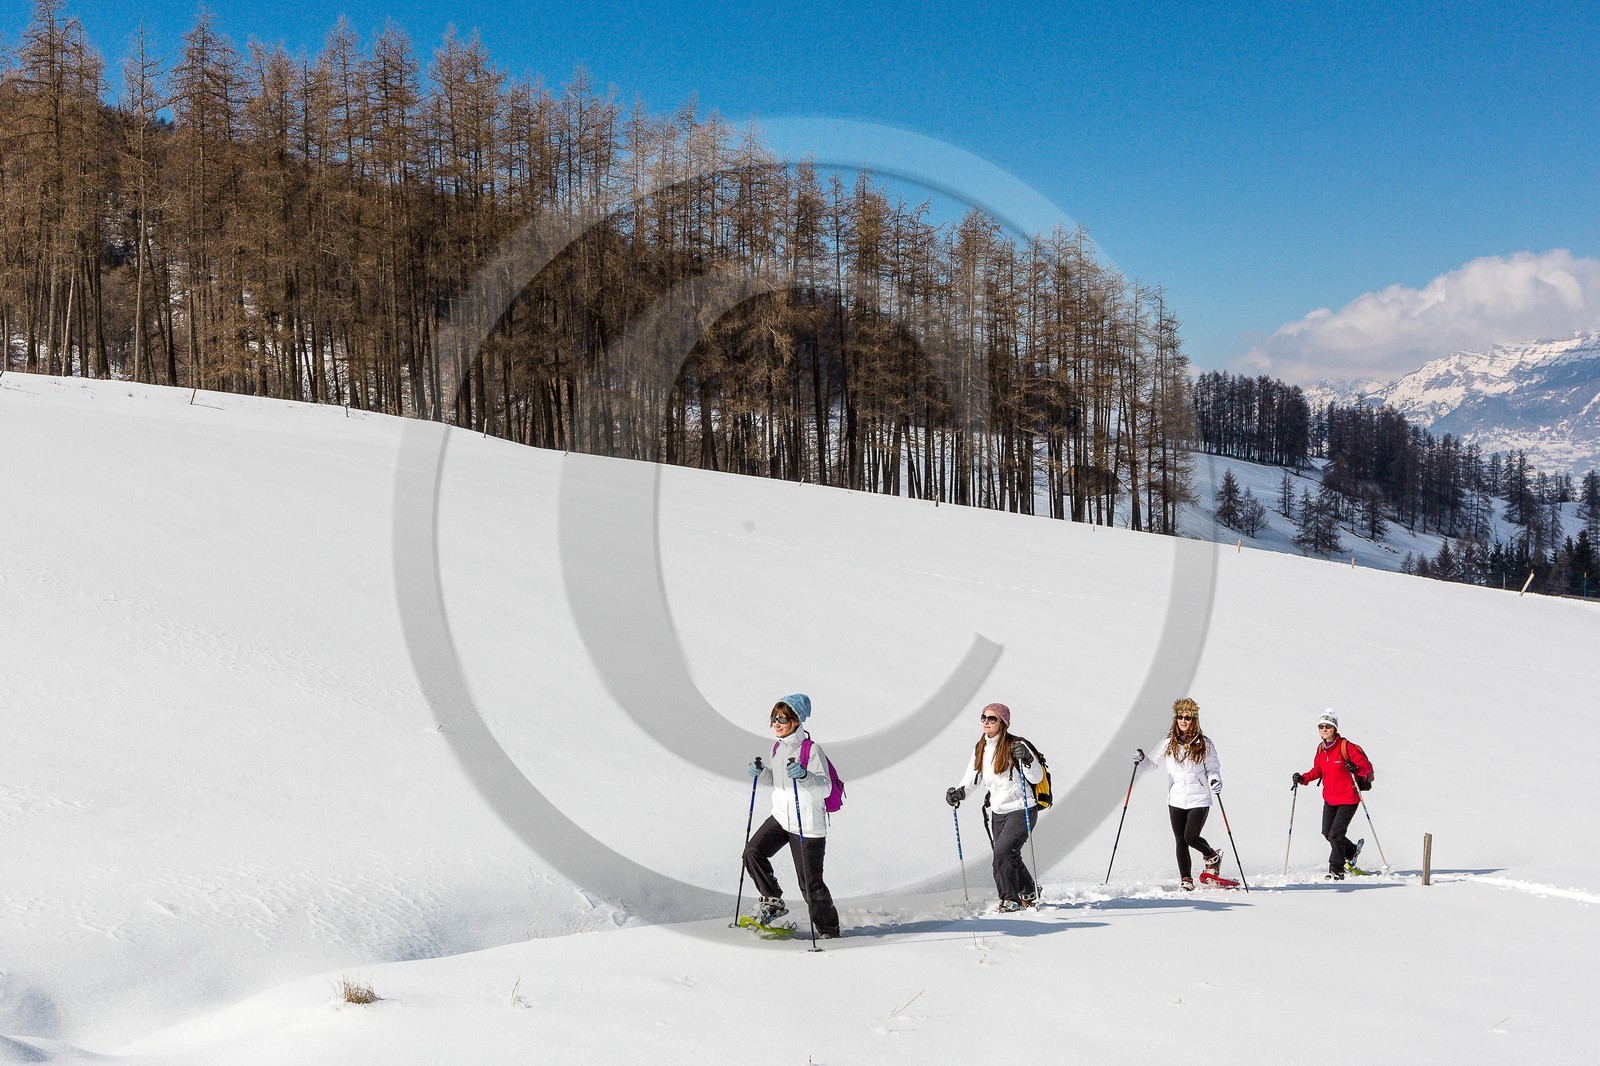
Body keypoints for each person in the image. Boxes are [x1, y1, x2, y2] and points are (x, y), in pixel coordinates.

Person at [743, 694, 841, 937]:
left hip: (807, 824)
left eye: (782, 719)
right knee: (752, 852)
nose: (776, 723)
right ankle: (772, 902)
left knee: (810, 886)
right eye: (774, 718)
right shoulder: (777, 747)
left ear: (796, 721)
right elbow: (779, 782)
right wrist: (761, 773)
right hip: (782, 817)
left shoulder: (812, 750)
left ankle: (829, 931)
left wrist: (805, 776)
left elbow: (825, 788)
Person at [944, 702, 1045, 911]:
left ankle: (1010, 899)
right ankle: (1029, 891)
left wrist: (1026, 759)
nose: (986, 722)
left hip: (1022, 808)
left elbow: (1037, 777)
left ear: (1003, 722)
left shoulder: (1016, 745)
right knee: (1009, 855)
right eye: (984, 717)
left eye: (992, 718)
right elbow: (972, 778)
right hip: (998, 811)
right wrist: (960, 793)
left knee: (1002, 854)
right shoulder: (981, 747)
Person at [1132, 697, 1224, 891]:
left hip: (1199, 797)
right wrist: (1142, 759)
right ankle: (1186, 879)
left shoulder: (1204, 744)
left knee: (1191, 837)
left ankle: (1211, 856)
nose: (1183, 721)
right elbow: (1153, 765)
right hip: (1176, 798)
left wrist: (1215, 780)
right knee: (1180, 841)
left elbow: (1213, 767)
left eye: (1188, 717)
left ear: (1194, 719)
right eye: (1180, 716)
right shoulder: (1168, 742)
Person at [1292, 710, 1374, 880]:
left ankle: (1336, 869)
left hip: (1348, 797)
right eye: (1321, 726)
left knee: (1335, 834)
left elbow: (1365, 766)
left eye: (1328, 726)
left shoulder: (1346, 747)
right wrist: (1303, 778)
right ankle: (1351, 851)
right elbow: (1318, 769)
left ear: (1335, 728)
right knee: (1326, 832)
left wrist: (1356, 768)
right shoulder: (1321, 749)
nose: (1324, 729)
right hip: (1330, 798)